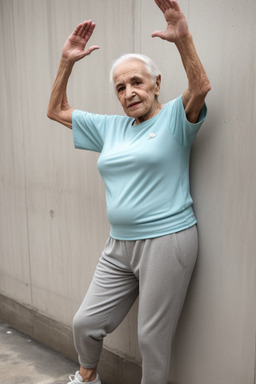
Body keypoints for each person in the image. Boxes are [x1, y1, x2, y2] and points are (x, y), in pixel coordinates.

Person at [47, 0, 211, 383]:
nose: (129, 92)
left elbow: (201, 85)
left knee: (151, 339)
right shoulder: (110, 128)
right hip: (119, 244)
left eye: (137, 82)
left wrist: (182, 37)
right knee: (86, 322)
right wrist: (67, 61)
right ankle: (87, 378)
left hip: (167, 241)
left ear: (156, 85)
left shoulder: (174, 117)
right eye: (120, 87)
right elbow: (56, 110)